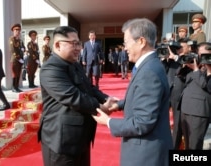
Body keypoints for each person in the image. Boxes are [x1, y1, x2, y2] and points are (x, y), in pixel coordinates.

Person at [92, 18, 173, 166]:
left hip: (146, 155)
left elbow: (142, 122)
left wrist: (109, 122)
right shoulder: (148, 65)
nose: (125, 48)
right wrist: (119, 105)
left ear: (141, 41)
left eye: (126, 42)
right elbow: (143, 97)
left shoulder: (149, 72)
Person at [38, 26, 115, 166]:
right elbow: (72, 97)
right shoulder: (50, 68)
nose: (78, 48)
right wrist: (100, 107)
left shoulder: (75, 64)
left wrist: (106, 99)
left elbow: (89, 87)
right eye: (73, 44)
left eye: (78, 43)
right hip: (61, 142)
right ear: (57, 45)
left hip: (80, 137)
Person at [180, 42, 211, 149]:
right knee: (187, 144)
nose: (200, 56)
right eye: (199, 53)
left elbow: (206, 85)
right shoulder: (197, 64)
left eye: (204, 54)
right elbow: (184, 79)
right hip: (186, 107)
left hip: (199, 111)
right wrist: (186, 65)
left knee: (195, 144)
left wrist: (196, 70)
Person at [9, 23, 26, 92]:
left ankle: (17, 87)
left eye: (19, 30)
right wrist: (19, 58)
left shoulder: (20, 40)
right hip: (15, 60)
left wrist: (23, 49)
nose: (17, 32)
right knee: (15, 74)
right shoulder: (12, 39)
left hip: (20, 60)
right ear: (13, 31)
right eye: (16, 30)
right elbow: (12, 50)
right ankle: (13, 87)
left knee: (18, 74)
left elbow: (23, 48)